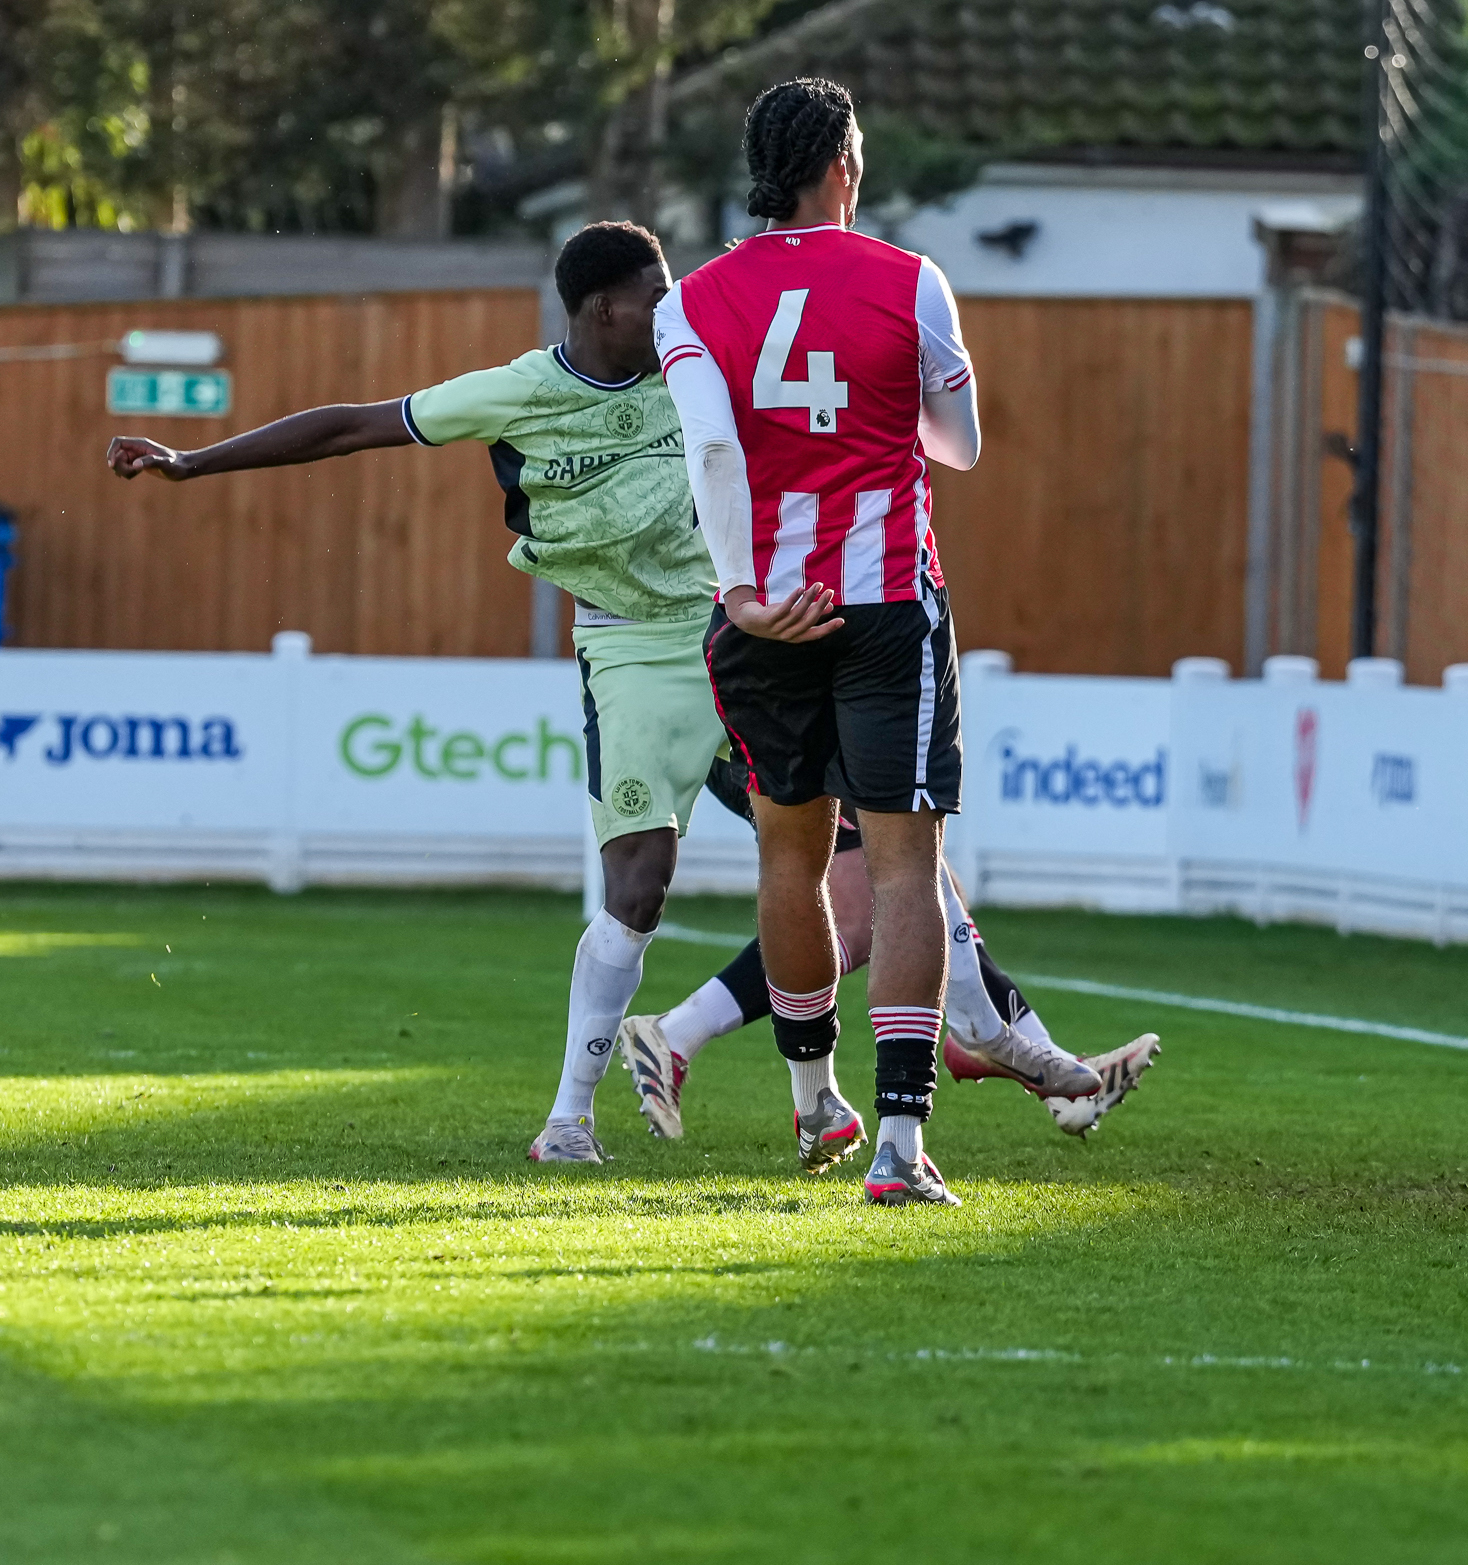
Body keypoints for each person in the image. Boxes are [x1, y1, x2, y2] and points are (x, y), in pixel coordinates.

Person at [108, 221, 723, 1166]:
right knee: (640, 885)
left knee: (842, 854)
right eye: (656, 295)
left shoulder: (693, 369)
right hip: (630, 648)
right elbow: (350, 427)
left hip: (734, 630)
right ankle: (569, 1120)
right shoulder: (520, 392)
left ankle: (863, 1096)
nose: (673, 310)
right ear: (604, 309)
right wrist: (193, 462)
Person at [655, 75, 981, 1206]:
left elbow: (711, 452)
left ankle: (812, 1102)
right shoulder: (911, 278)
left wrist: (743, 593)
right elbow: (959, 444)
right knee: (904, 869)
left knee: (788, 859)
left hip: (765, 614)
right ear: (844, 163)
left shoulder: (691, 300)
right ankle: (898, 1146)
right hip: (886, 603)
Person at [613, 755, 1161, 1141]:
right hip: (773, 717)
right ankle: (677, 1033)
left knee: (922, 880)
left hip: (785, 714)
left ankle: (1031, 1061)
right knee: (869, 912)